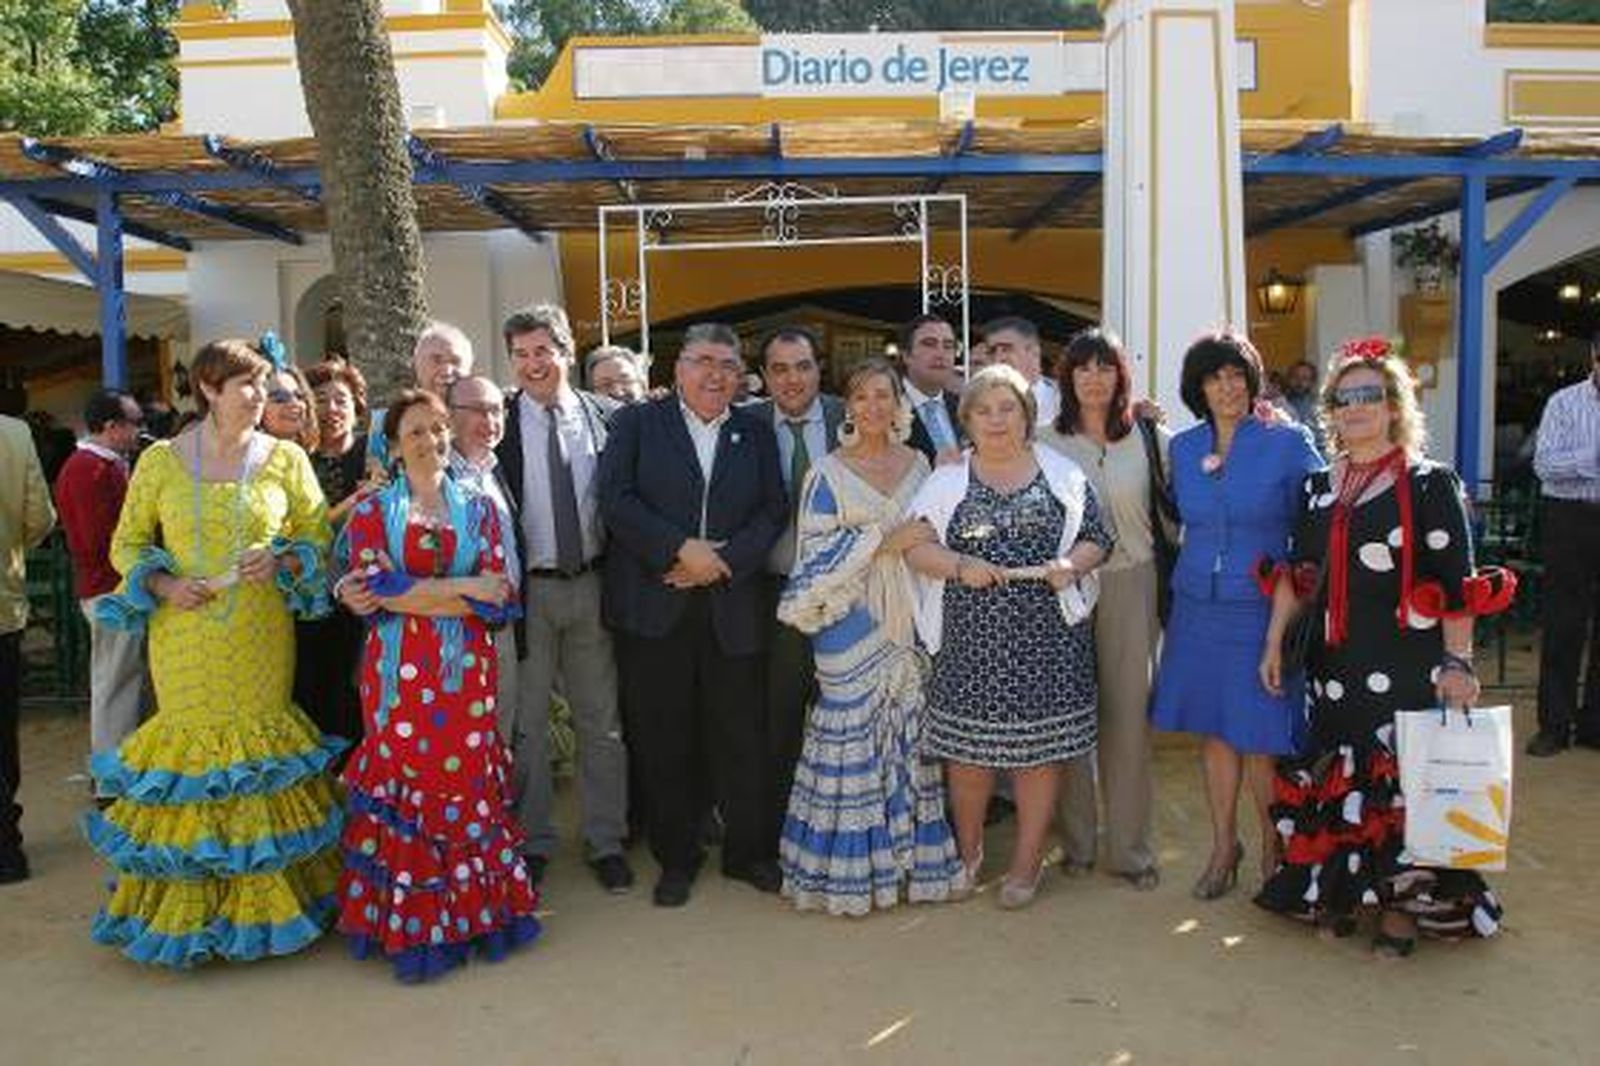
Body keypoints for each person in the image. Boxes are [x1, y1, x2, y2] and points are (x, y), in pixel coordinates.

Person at [83, 339, 343, 965]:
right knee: (195, 751)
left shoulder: (285, 459)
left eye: (266, 387)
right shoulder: (159, 463)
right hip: (184, 632)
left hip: (260, 628)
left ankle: (268, 908)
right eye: (246, 385)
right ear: (208, 389)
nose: (261, 398)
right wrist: (166, 583)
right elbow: (125, 544)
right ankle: (193, 910)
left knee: (258, 755)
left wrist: (281, 558)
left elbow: (315, 533)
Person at [1256, 338, 1506, 955]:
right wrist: (1273, 645)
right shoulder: (1318, 486)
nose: (1356, 408)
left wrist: (1458, 662)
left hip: (1406, 667)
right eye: (1344, 398)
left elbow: (1457, 585)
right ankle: (1341, 893)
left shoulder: (1430, 485)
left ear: (1394, 406)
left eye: (1370, 395)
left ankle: (1403, 908)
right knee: (1342, 783)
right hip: (1333, 670)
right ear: (1331, 411)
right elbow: (1300, 575)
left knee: (1401, 783)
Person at [334, 389, 539, 982]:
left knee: (466, 784)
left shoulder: (479, 507)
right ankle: (415, 924)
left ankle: (471, 916)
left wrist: (445, 592)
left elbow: (501, 594)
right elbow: (377, 590)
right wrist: (465, 588)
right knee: (408, 788)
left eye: (439, 429)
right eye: (417, 432)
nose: (431, 441)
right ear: (394, 445)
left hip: (466, 677)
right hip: (397, 682)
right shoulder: (373, 510)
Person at [905, 364, 1113, 909]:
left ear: (1027, 416)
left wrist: (1071, 562)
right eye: (984, 409)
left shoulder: (1063, 474)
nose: (996, 419)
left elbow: (1099, 537)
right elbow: (915, 546)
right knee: (969, 758)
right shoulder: (947, 478)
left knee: (1036, 758)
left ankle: (1025, 864)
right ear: (966, 419)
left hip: (1048, 642)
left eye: (1008, 408)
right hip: (971, 643)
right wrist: (956, 564)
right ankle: (968, 854)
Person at [599, 323, 787, 907]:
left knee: (739, 735)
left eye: (728, 365)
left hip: (731, 607)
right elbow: (616, 501)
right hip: (656, 606)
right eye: (703, 361)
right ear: (677, 370)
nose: (715, 374)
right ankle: (676, 858)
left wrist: (722, 562)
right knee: (664, 738)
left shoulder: (753, 432)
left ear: (740, 376)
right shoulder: (636, 423)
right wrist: (680, 548)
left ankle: (747, 853)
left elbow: (772, 509)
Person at [777, 358, 961, 915]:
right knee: (849, 731)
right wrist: (885, 538)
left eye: (884, 395)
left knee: (906, 727)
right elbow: (812, 557)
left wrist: (896, 539)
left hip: (908, 615)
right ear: (848, 407)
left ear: (897, 403)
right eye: (862, 397)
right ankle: (844, 869)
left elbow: (933, 529)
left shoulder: (922, 463)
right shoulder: (827, 473)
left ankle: (906, 864)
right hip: (846, 622)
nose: (874, 407)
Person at [1149, 330, 1323, 901]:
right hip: (1198, 606)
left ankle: (1277, 845)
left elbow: (1320, 519)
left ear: (1252, 381)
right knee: (1216, 733)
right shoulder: (1183, 446)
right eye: (1214, 377)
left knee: (1260, 736)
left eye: (1236, 375)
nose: (1227, 386)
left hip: (1261, 609)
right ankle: (1225, 846)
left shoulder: (1288, 441)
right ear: (1198, 387)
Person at [495, 306, 632, 892]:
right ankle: (533, 841)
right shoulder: (496, 423)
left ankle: (606, 839)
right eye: (521, 355)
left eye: (542, 351)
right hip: (529, 595)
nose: (532, 365)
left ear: (566, 350)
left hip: (595, 586)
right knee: (526, 725)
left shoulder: (609, 417)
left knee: (600, 722)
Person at [1040, 329, 1164, 890]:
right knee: (1067, 717)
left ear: (1120, 376)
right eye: (1082, 367)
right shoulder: (1043, 442)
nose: (1094, 377)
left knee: (1127, 719)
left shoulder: (1150, 435)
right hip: (1062, 589)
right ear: (1067, 376)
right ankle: (1078, 843)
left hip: (1131, 583)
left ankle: (1131, 851)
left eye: (1105, 367)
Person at [749, 326, 845, 847]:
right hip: (772, 594)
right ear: (764, 376)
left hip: (845, 597)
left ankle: (839, 828)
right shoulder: (744, 423)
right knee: (779, 718)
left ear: (818, 368)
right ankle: (781, 832)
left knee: (841, 715)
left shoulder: (848, 416)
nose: (792, 379)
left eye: (803, 366)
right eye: (779, 369)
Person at [53, 390, 148, 778]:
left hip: (106, 586)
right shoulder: (91, 469)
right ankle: (113, 774)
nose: (138, 433)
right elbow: (98, 540)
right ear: (111, 427)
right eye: (134, 424)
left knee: (119, 679)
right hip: (110, 588)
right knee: (116, 682)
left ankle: (117, 768)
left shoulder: (90, 466)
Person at [293, 357, 376, 753]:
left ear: (356, 405)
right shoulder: (295, 460)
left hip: (362, 591)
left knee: (354, 686)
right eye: (320, 399)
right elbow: (299, 529)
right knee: (309, 683)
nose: (331, 409)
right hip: (305, 592)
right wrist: (355, 500)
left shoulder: (372, 455)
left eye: (340, 399)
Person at [1526, 333, 1600, 757]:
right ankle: (1554, 725)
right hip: (1571, 518)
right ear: (1593, 357)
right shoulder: (1564, 403)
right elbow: (1544, 465)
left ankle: (1594, 725)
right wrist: (1590, 459)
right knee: (1563, 624)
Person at [0, 413, 55, 883]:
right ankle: (5, 850)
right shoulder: (14, 435)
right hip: (1, 605)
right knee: (2, 733)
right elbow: (40, 518)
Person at [367, 321, 475, 474]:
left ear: (469, 369)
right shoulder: (384, 422)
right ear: (416, 364)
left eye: (456, 362)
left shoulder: (482, 420)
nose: (446, 370)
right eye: (436, 360)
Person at [900, 314, 964, 466]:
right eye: (929, 344)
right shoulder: (882, 406)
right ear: (906, 355)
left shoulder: (966, 407)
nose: (940, 354)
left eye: (948, 346)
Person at [983, 316, 1060, 429]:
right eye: (992, 351)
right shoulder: (979, 402)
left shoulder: (1064, 401)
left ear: (1034, 352)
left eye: (1006, 349)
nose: (998, 358)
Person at [260, 357, 320, 456]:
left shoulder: (317, 457)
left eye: (299, 396)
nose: (294, 403)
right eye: (280, 398)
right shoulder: (246, 461)